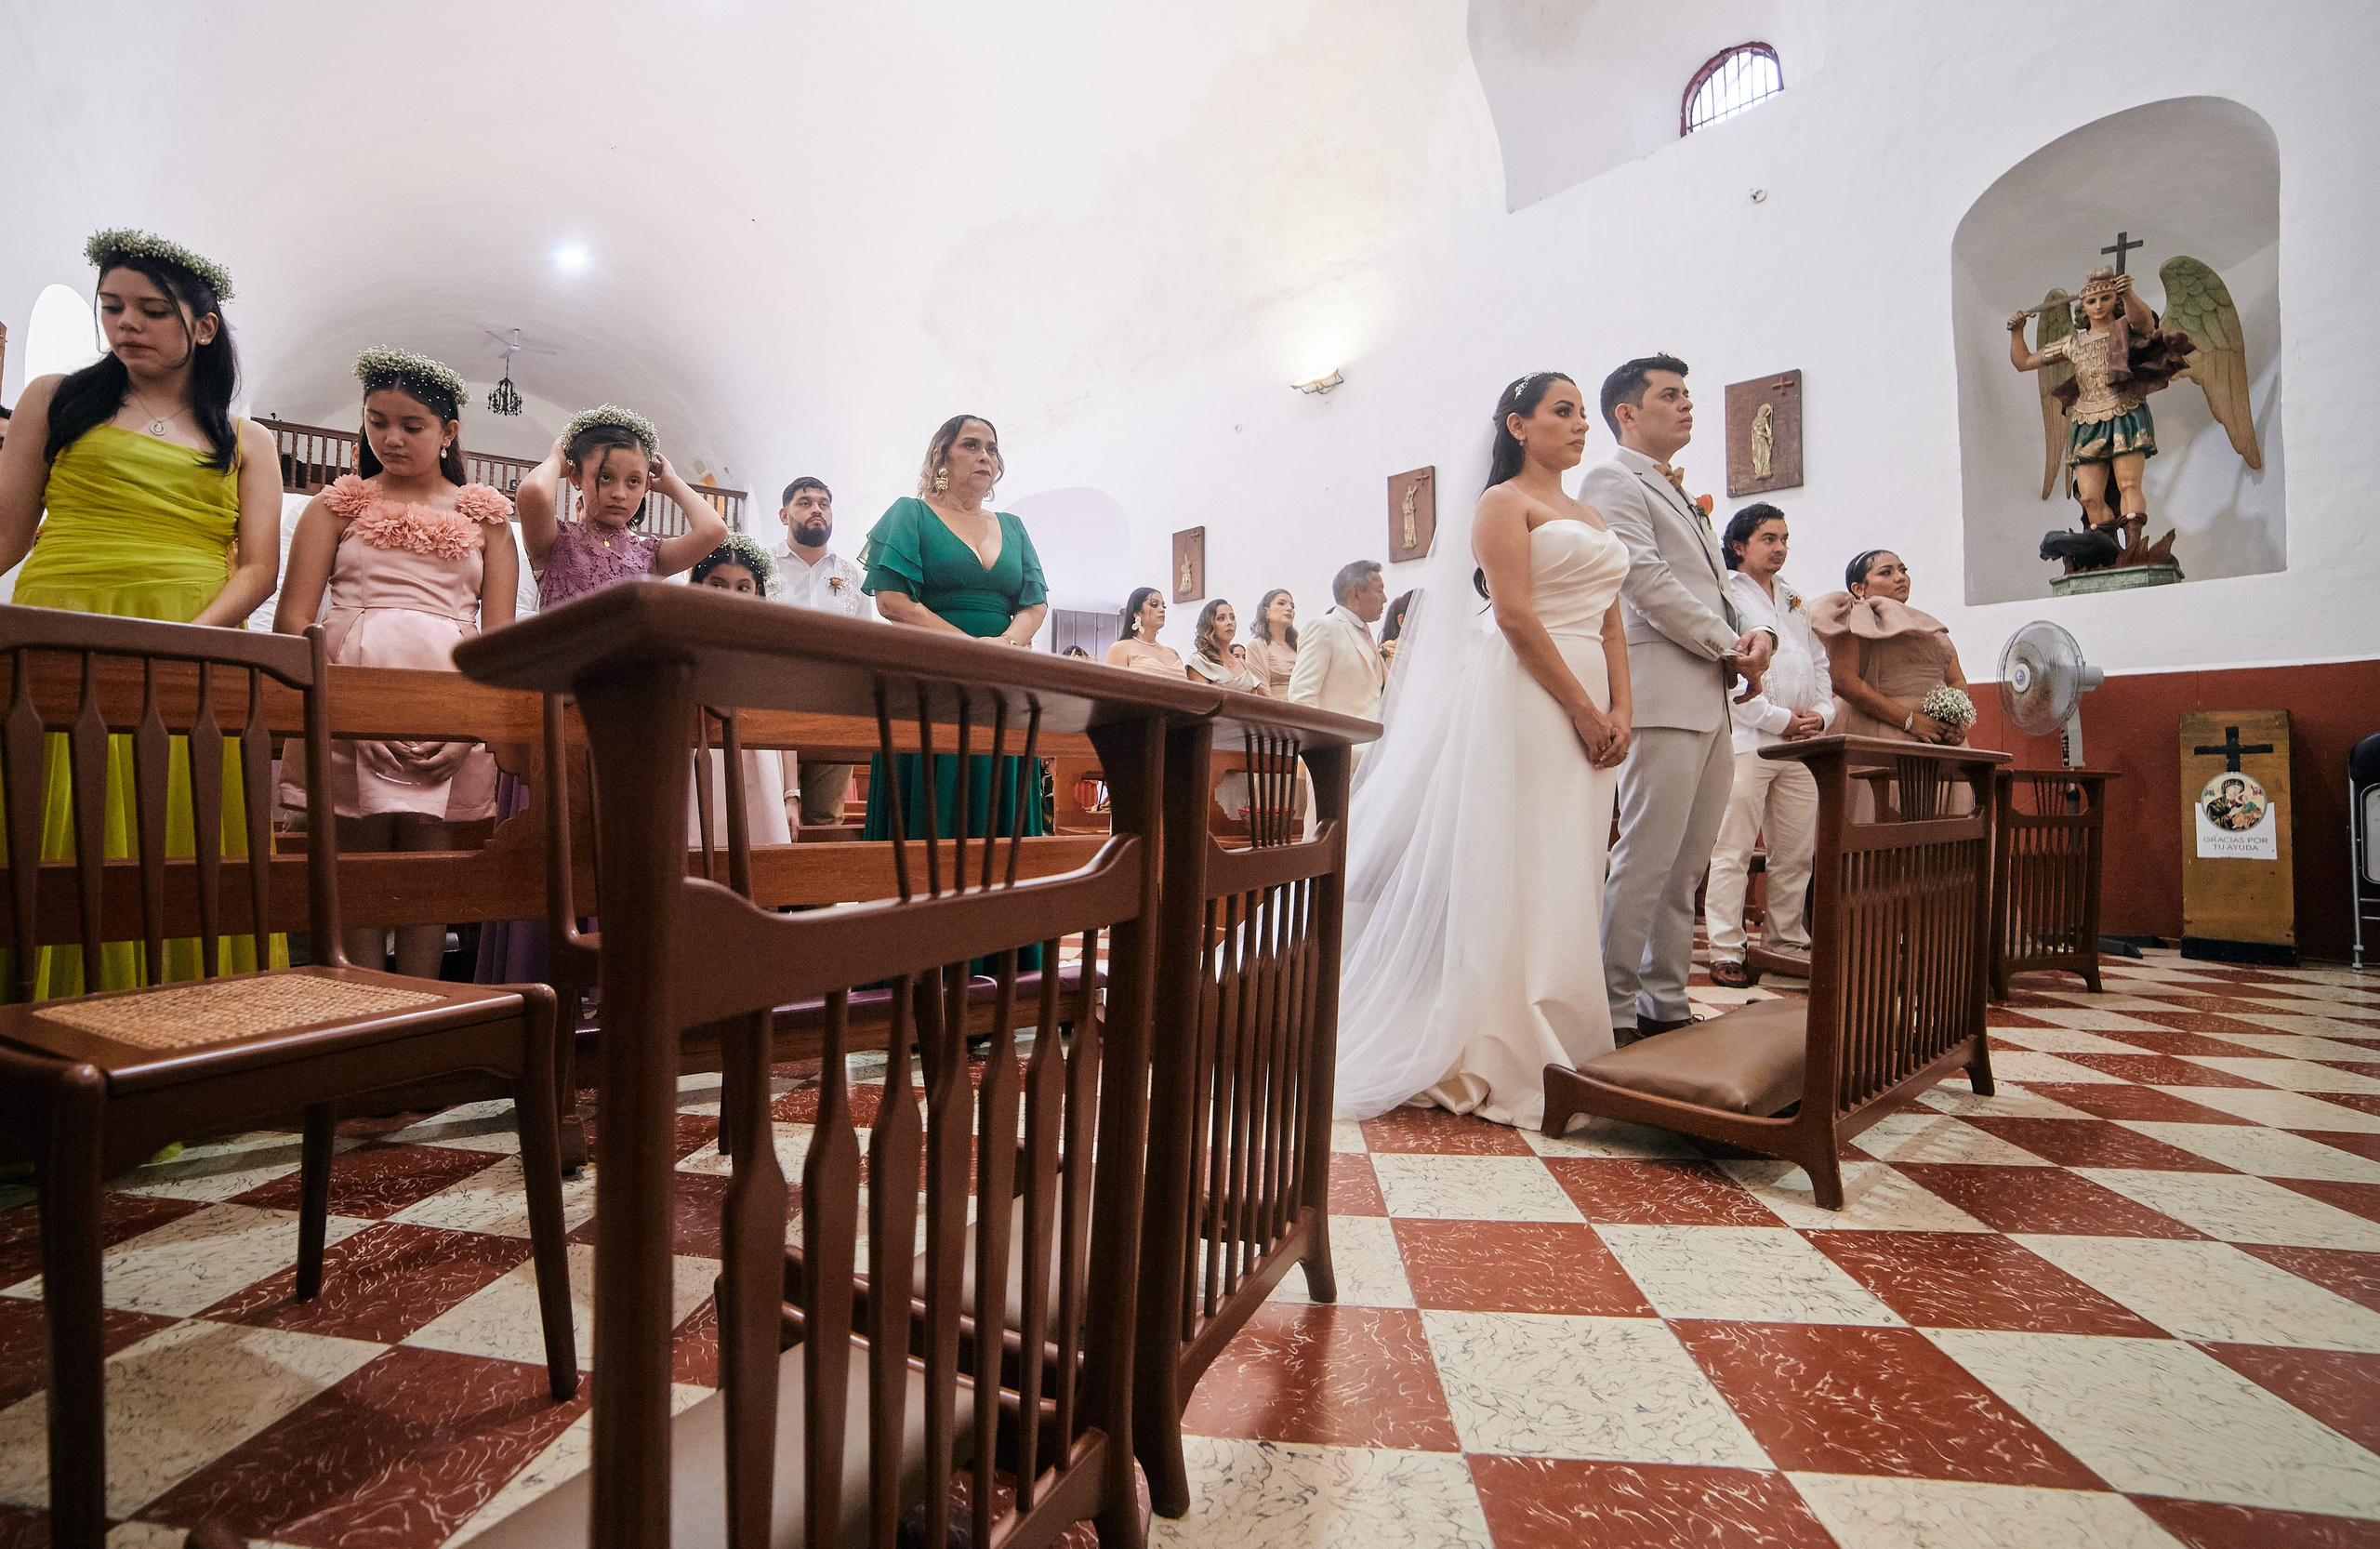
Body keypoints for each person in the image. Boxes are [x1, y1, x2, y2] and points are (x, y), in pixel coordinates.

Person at [1333, 371, 1631, 1128]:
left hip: (1594, 689)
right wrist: (1582, 710)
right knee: (1525, 859)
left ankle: (1567, 1029)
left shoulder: (1589, 512)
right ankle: (1504, 1037)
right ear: (1517, 425)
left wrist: (1623, 707)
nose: (1578, 425)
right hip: (1532, 695)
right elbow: (1516, 618)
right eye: (1562, 412)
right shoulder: (1502, 504)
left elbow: (1610, 622)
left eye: (1579, 414)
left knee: (1574, 862)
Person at [0, 230, 286, 997]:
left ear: (202, 325)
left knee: (172, 821)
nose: (126, 324)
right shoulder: (55, 399)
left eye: (152, 310)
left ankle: (183, 1026)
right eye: (112, 307)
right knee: (47, 812)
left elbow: (260, 568)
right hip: (61, 613)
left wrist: (183, 639)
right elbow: (6, 531)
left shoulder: (246, 439)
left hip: (186, 635)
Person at [272, 348, 516, 976]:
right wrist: (348, 714)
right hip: (349, 699)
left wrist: (469, 731)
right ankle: (360, 1021)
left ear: (448, 433)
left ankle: (422, 1025)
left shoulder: (486, 518)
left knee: (426, 885)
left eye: (411, 425)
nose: (391, 438)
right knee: (358, 882)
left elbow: (501, 640)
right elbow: (293, 622)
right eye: (377, 421)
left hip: (448, 707)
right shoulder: (336, 506)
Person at [1582, 353, 1776, 1043]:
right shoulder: (1611, 478)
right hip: (1661, 689)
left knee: (1687, 863)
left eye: (1688, 395)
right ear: (1627, 414)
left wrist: (1750, 634)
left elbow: (1714, 587)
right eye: (1671, 395)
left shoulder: (1675, 489)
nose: (1688, 405)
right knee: (1644, 857)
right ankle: (1607, 1011)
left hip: (1709, 696)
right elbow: (1644, 579)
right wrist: (1727, 644)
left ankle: (1662, 1000)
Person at [860, 415, 1051, 865]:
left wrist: (1003, 646)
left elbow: (1035, 604)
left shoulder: (1015, 526)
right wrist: (969, 648)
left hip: (1000, 681)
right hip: (929, 677)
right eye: (970, 445)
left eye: (992, 447)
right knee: (932, 803)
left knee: (999, 809)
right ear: (940, 455)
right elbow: (892, 601)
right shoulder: (911, 513)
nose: (985, 455)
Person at [1702, 505, 1831, 989]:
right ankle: (1726, 947)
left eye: (1784, 539)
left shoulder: (1794, 597)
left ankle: (1785, 945)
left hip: (1799, 746)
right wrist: (1779, 720)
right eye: (1768, 538)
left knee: (1795, 851)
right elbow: (1730, 670)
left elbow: (1817, 660)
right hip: (1750, 741)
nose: (1779, 548)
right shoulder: (1726, 594)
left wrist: (1823, 713)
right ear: (1739, 545)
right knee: (1732, 848)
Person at [2007, 267, 2190, 564]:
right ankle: (2107, 550)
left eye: (2106, 298)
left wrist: (2128, 293)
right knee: (2090, 496)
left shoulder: (2124, 330)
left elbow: (2145, 323)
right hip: (2086, 419)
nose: (2099, 305)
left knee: (2129, 485)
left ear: (2113, 299)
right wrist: (2017, 332)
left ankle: (2133, 549)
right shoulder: (2073, 342)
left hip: (2123, 411)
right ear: (2083, 306)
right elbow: (2024, 361)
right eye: (2092, 301)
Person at [515, 404, 727, 606]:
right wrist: (556, 460)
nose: (619, 494)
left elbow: (713, 530)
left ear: (646, 485)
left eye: (633, 481)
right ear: (576, 476)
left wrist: (673, 483)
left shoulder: (652, 555)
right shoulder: (554, 540)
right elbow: (533, 492)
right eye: (605, 477)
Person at [763, 476, 867, 827]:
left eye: (823, 503)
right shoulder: (761, 567)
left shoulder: (851, 576)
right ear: (784, 514)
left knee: (825, 818)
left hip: (831, 709)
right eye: (805, 503)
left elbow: (863, 645)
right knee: (769, 814)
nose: (816, 510)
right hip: (771, 706)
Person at [687, 534, 794, 849]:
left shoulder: (768, 649)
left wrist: (790, 793)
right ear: (699, 586)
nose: (730, 595)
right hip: (699, 761)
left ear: (757, 592)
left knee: (759, 850)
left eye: (742, 587)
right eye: (718, 584)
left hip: (757, 762)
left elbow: (783, 724)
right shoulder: (682, 639)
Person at [1814, 550, 1969, 745]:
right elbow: (1844, 682)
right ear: (1859, 588)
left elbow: (1956, 680)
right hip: (1876, 732)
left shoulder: (1929, 627)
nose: (1900, 577)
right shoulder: (1852, 621)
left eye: (1903, 570)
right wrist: (1910, 721)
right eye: (1886, 572)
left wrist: (1953, 723)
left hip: (1937, 736)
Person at [1286, 561, 1388, 724]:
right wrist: (1325, 745)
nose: (1384, 599)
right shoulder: (1324, 628)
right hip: (1341, 745)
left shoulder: (1365, 633)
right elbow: (1301, 696)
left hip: (1376, 741)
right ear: (1355, 595)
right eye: (1379, 590)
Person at [1184, 599, 1268, 694]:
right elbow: (1202, 702)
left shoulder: (1243, 664)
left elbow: (1257, 700)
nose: (1229, 622)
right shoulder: (1199, 662)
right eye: (1221, 618)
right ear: (1209, 625)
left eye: (1232, 618)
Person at [1105, 587, 1183, 675]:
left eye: (1163, 606)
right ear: (1137, 613)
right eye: (1154, 605)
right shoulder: (1120, 649)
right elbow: (1111, 686)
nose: (1162, 609)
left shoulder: (1173, 653)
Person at [1249, 588, 1299, 694]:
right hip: (1274, 707)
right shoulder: (1256, 646)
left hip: (1303, 707)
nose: (1289, 608)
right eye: (1281, 603)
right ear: (1266, 611)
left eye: (1292, 606)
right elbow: (1261, 689)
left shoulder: (1299, 646)